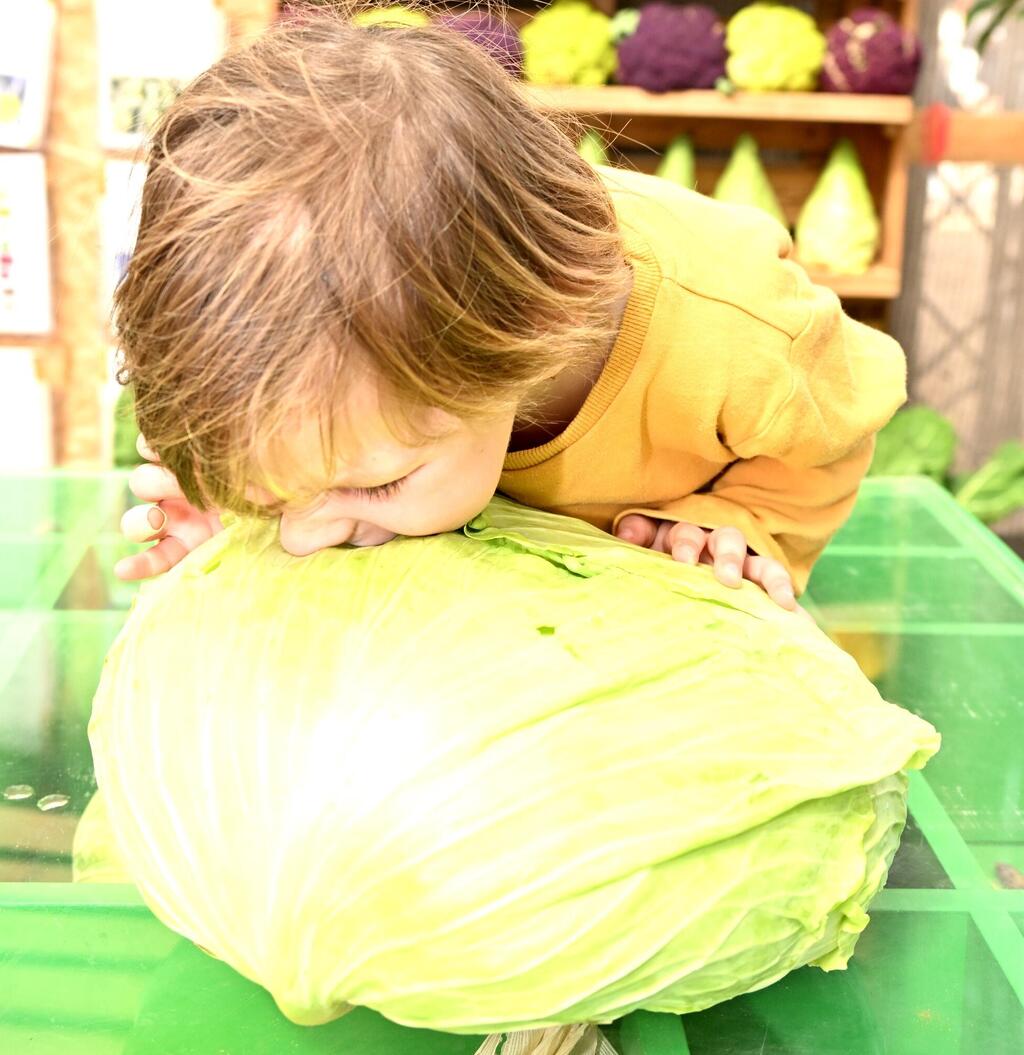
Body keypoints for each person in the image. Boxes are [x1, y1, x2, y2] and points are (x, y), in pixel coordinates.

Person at [114, 8, 906, 612]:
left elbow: (835, 436)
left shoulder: (741, 330)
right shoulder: (373, 412)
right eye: (290, 500)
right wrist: (239, 510)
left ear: (533, 329)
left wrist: (741, 517)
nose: (304, 532)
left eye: (377, 485)